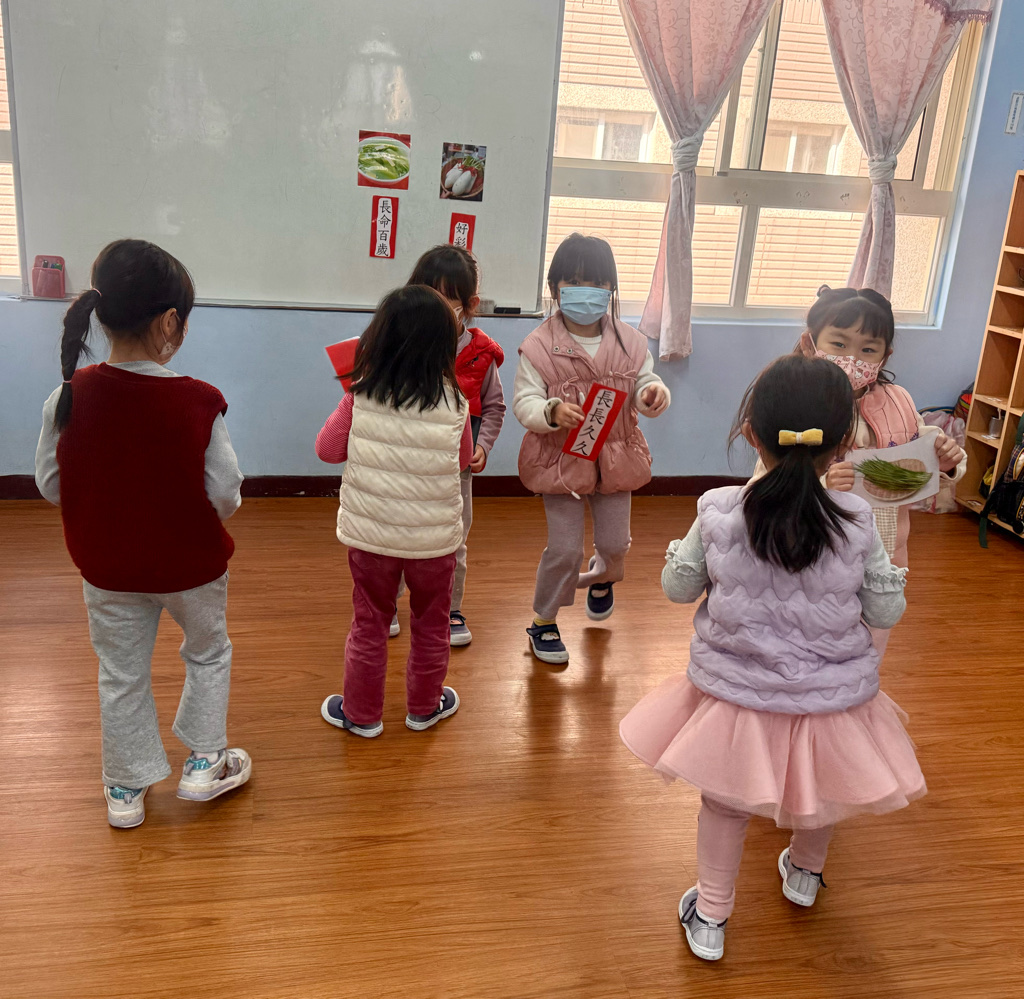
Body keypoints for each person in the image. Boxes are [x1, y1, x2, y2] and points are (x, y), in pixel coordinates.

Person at [621, 355, 925, 963]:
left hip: (737, 695)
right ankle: (805, 875)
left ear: (750, 434)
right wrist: (888, 574)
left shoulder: (719, 509)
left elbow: (678, 589)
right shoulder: (859, 520)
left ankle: (711, 915)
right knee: (824, 786)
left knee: (724, 803)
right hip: (828, 696)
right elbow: (885, 612)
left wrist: (681, 555)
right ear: (843, 446)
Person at [34, 239, 250, 830]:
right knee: (208, 652)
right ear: (170, 322)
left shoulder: (67, 395)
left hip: (107, 569)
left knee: (121, 673)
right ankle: (205, 762)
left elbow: (51, 484)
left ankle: (125, 788)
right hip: (192, 568)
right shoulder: (200, 401)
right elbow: (225, 492)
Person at [315, 285, 471, 738]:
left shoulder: (361, 395)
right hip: (434, 543)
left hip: (372, 540)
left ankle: (361, 715)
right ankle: (424, 708)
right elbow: (462, 460)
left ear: (378, 337)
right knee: (432, 624)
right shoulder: (456, 403)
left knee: (370, 624)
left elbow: (327, 449)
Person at [781, 287, 966, 653]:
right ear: (809, 342)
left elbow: (924, 452)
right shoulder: (793, 399)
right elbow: (769, 476)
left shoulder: (899, 401)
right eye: (838, 344)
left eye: (868, 349)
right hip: (814, 549)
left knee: (870, 641)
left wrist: (947, 461)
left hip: (884, 551)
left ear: (885, 355)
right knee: (811, 640)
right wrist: (822, 483)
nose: (852, 358)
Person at [513, 233, 670, 665]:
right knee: (565, 550)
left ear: (611, 288)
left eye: (597, 283)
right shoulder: (538, 346)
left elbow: (645, 384)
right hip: (561, 463)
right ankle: (544, 621)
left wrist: (653, 394)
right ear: (555, 287)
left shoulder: (631, 342)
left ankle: (603, 577)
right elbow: (524, 401)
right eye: (575, 281)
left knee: (615, 544)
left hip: (617, 459)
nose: (587, 291)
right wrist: (550, 410)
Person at [402, 245, 506, 647]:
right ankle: (387, 602)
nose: (435, 304)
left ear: (470, 304)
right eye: (426, 292)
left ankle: (450, 610)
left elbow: (494, 407)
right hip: (406, 465)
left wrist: (484, 445)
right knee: (398, 536)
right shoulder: (401, 343)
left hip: (455, 470)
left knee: (453, 542)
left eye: (446, 296)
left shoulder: (482, 354)